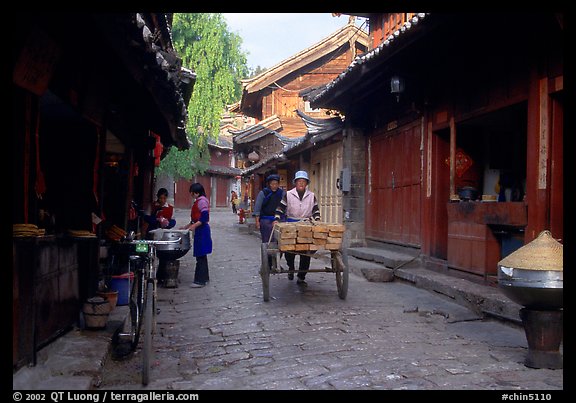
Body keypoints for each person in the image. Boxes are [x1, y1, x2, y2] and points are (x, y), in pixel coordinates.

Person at [274, 170, 320, 286]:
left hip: (306, 225)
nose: (301, 184)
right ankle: (291, 267)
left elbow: (315, 210)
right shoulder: (288, 194)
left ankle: (301, 277)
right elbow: (280, 208)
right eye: (299, 181)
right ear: (295, 183)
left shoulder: (311, 196)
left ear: (306, 183)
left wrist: (318, 220)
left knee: (306, 252)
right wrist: (277, 218)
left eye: (303, 181)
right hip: (291, 224)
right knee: (289, 251)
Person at [180, 183, 213, 288]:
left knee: (201, 255)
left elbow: (204, 218)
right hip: (199, 230)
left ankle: (200, 280)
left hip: (202, 230)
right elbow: (194, 219)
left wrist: (194, 226)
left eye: (192, 193)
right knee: (202, 255)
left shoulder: (202, 201)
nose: (191, 195)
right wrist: (186, 227)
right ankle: (205, 278)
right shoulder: (199, 201)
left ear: (196, 193)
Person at [253, 174, 284, 266]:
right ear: (269, 184)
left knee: (280, 242)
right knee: (268, 242)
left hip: (279, 220)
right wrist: (257, 221)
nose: (274, 185)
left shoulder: (282, 193)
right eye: (272, 184)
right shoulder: (264, 193)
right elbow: (257, 208)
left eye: (276, 183)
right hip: (266, 220)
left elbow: (286, 206)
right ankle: (269, 263)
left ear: (278, 184)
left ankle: (276, 261)